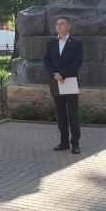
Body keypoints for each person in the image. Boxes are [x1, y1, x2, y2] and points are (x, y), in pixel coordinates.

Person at [42, 16, 84, 154]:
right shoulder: (51, 43)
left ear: (69, 26)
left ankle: (75, 143)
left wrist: (63, 74)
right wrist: (55, 74)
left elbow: (77, 62)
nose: (59, 26)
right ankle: (64, 142)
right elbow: (46, 59)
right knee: (61, 114)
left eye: (62, 23)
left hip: (70, 81)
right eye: (57, 24)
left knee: (72, 113)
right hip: (55, 81)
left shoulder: (76, 43)